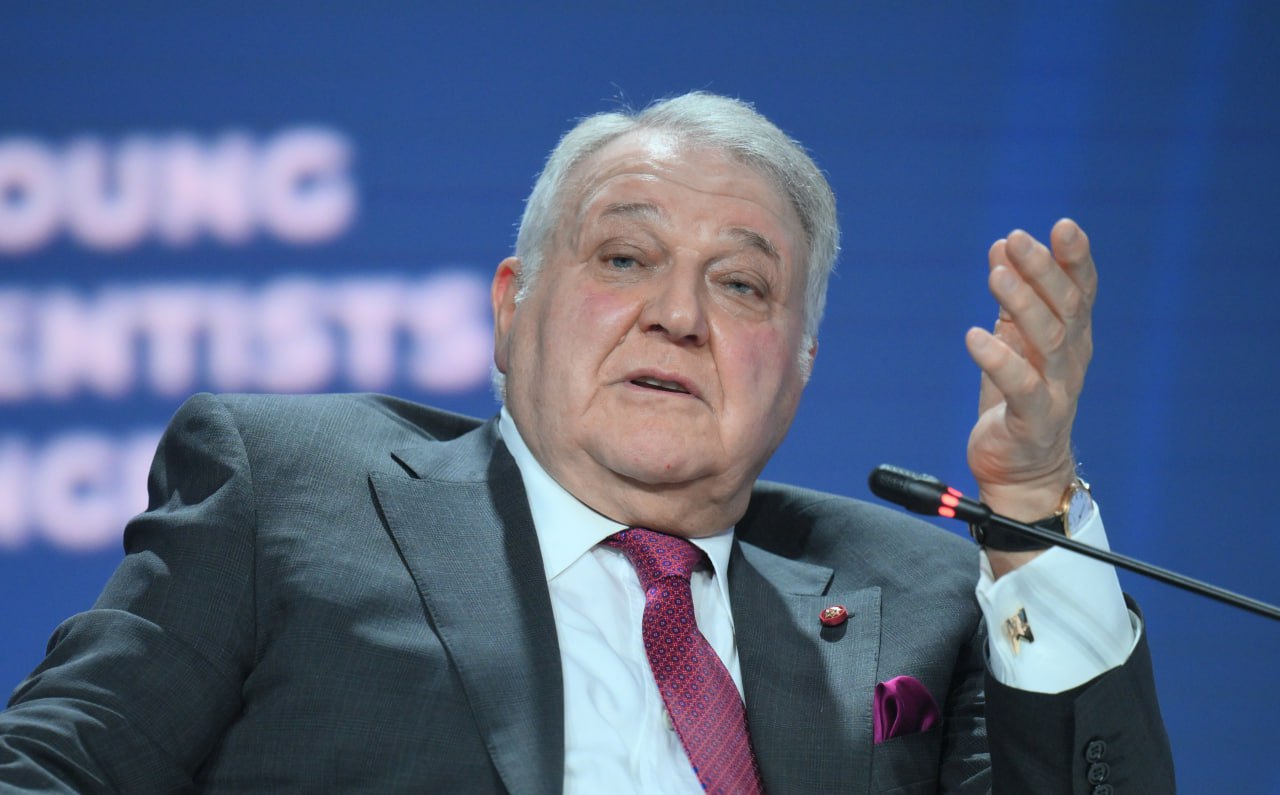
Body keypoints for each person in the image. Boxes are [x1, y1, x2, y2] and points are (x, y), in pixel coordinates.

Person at [0, 92, 1172, 793]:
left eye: (741, 284)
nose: (677, 314)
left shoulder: (912, 591)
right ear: (512, 307)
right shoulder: (292, 491)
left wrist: (1030, 506)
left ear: (801, 363)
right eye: (624, 258)